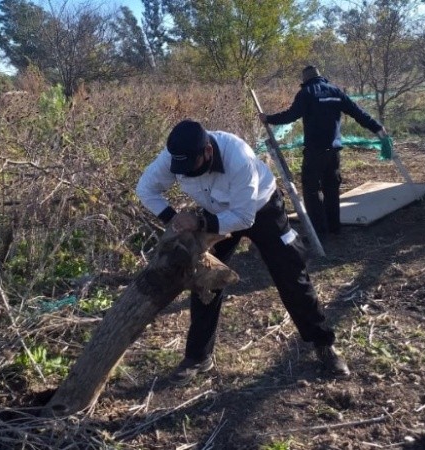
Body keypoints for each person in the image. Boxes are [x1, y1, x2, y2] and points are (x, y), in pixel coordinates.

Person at [136, 119, 349, 385]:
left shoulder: (239, 157)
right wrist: (175, 218)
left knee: (291, 274)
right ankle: (198, 356)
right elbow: (145, 189)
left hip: (261, 209)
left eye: (192, 167)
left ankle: (322, 343)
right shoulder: (175, 155)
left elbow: (244, 217)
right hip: (214, 213)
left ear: (208, 152)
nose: (186, 173)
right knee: (204, 279)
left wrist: (200, 223)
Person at [259, 65, 389, 239]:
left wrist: (268, 118)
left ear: (304, 80)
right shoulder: (336, 92)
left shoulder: (306, 93)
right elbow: (358, 113)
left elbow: (290, 115)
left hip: (315, 151)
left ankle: (319, 231)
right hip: (334, 151)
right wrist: (377, 127)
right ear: (321, 77)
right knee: (331, 189)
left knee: (311, 190)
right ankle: (334, 228)